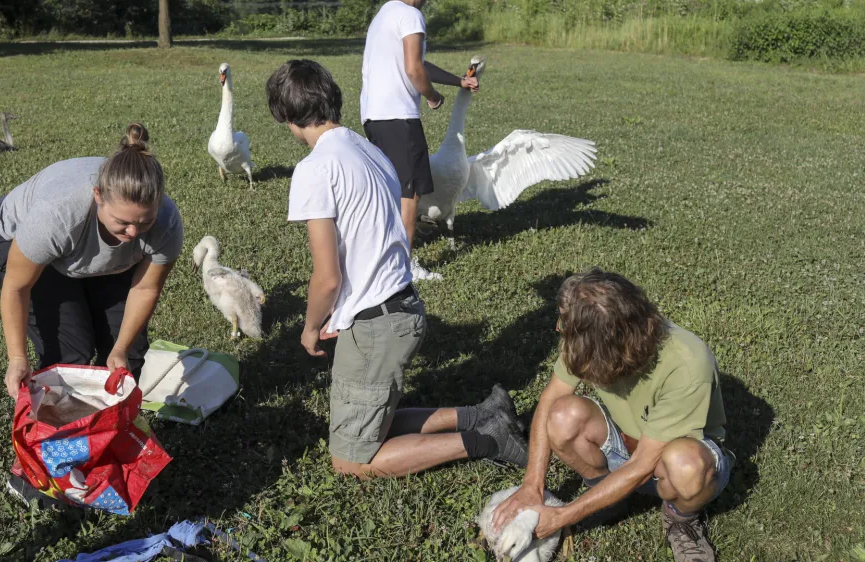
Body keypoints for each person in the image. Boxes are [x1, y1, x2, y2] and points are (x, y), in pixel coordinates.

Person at [266, 59, 527, 477]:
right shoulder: (371, 151)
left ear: (288, 117)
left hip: (377, 326)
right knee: (377, 423)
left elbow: (327, 277)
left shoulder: (315, 168)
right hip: (402, 306)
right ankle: (481, 414)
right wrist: (344, 310)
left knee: (350, 460)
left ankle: (489, 439)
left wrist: (311, 327)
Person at [0, 124, 184, 504]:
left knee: (126, 361)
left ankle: (104, 449)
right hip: (26, 239)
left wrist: (119, 348)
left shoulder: (166, 223)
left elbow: (145, 288)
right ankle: (37, 471)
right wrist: (16, 358)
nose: (133, 232)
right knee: (68, 358)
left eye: (144, 222)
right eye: (123, 221)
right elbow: (17, 287)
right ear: (97, 197)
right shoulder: (58, 215)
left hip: (91, 254)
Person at [491, 269, 733, 562]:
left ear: (609, 342)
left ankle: (681, 518)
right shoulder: (586, 334)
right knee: (561, 415)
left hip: (666, 462)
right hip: (626, 447)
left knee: (687, 465)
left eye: (564, 325)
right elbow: (550, 399)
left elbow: (644, 464)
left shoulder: (687, 365)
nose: (559, 330)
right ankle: (609, 499)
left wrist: (563, 516)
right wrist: (532, 485)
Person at [360, 0, 479, 282]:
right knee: (409, 194)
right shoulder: (411, 14)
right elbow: (414, 69)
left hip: (374, 117)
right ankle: (404, 266)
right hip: (399, 117)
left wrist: (458, 81)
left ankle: (380, 256)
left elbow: (417, 63)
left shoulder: (385, 13)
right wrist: (433, 96)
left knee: (392, 190)